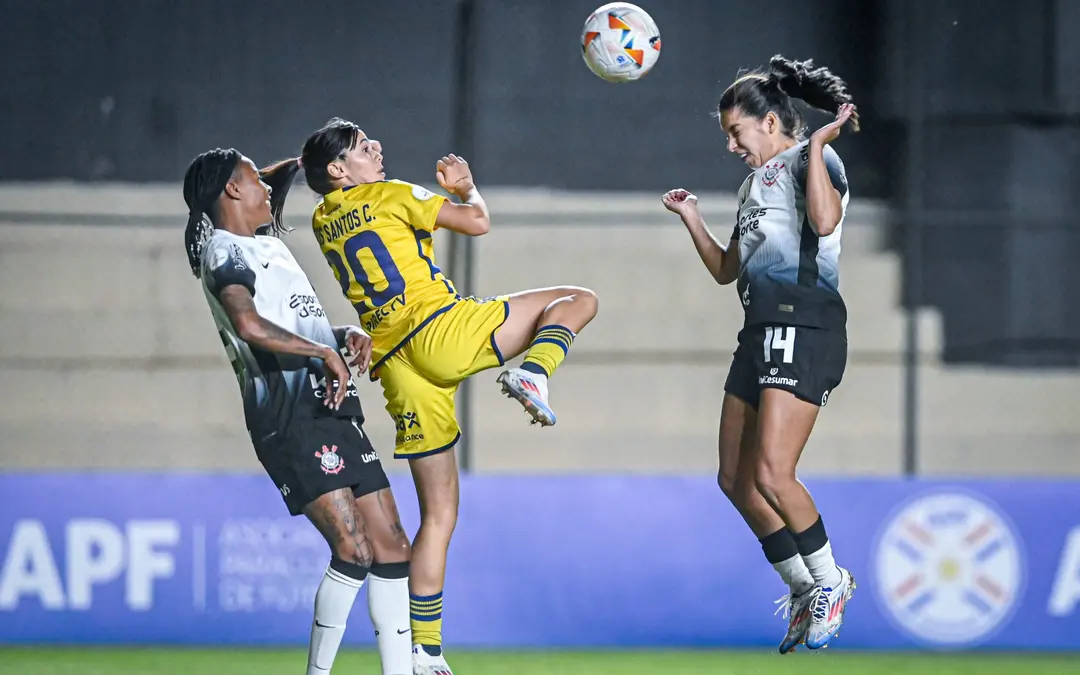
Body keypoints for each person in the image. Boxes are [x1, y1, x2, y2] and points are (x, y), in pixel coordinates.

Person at [279, 118, 598, 675]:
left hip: (398, 366)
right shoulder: (392, 193)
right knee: (577, 299)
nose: (377, 148)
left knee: (440, 513)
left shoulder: (323, 219)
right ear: (338, 170)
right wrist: (465, 188)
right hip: (439, 329)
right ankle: (537, 372)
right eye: (361, 147)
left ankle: (424, 652)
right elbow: (477, 223)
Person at [183, 148, 414, 675]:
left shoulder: (267, 246)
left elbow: (295, 327)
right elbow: (249, 326)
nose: (267, 190)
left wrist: (339, 336)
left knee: (392, 545)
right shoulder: (226, 252)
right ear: (233, 191)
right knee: (353, 549)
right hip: (288, 419)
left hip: (328, 405)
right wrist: (323, 352)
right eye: (252, 179)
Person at [662, 55, 858, 653]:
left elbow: (823, 223)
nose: (731, 145)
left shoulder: (813, 159)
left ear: (770, 122)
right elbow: (727, 269)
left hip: (806, 325)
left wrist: (820, 141)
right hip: (760, 329)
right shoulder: (753, 184)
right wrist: (693, 218)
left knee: (773, 473)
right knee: (735, 479)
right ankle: (801, 584)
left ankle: (832, 580)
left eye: (736, 132)